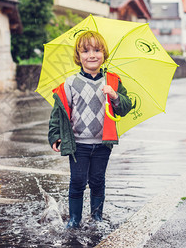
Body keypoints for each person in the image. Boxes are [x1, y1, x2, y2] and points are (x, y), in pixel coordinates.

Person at [48, 30, 132, 229]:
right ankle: (74, 219)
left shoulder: (112, 81)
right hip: (78, 143)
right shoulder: (71, 82)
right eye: (85, 51)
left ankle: (97, 217)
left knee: (97, 181)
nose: (92, 55)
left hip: (103, 143)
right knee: (77, 181)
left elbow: (126, 107)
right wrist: (55, 135)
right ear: (78, 56)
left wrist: (114, 95)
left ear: (104, 54)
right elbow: (58, 113)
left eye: (97, 50)